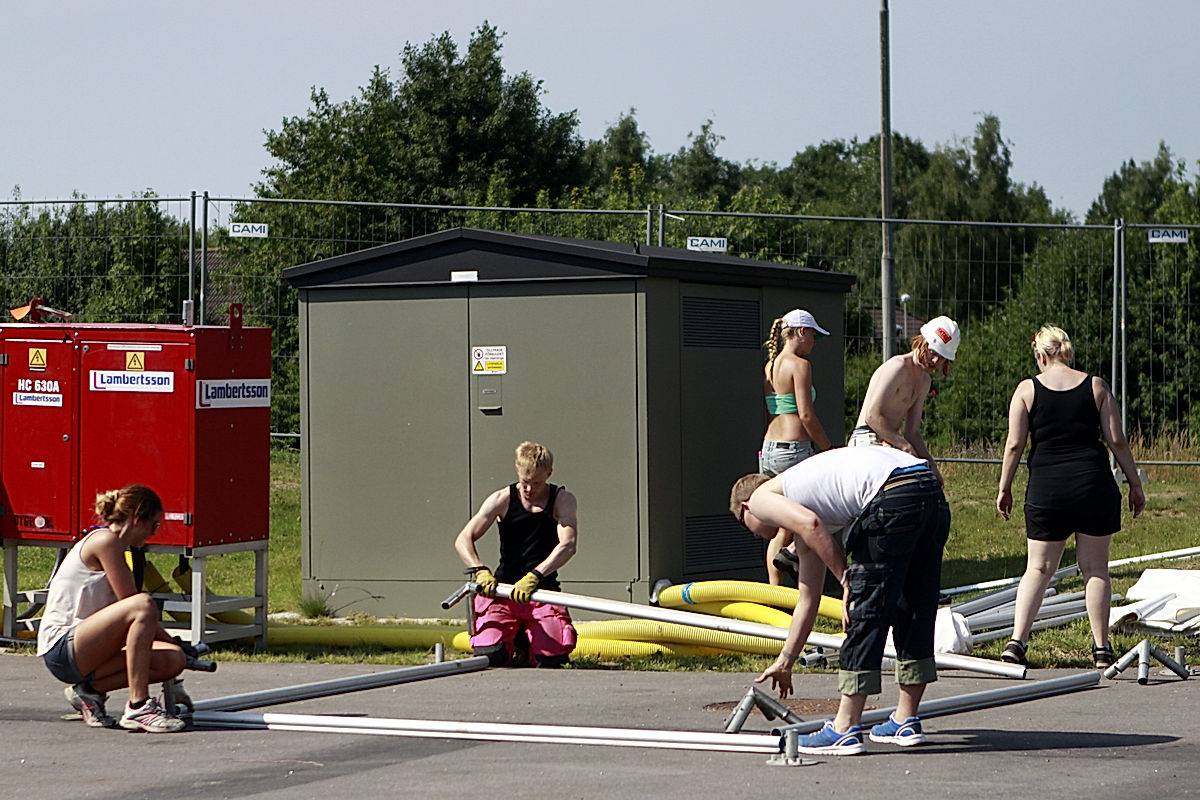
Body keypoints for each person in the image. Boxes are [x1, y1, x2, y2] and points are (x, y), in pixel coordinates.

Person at [730, 445, 950, 755]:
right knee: (913, 605)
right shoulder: (810, 500)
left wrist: (846, 579)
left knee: (864, 612)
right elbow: (809, 598)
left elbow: (811, 524)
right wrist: (786, 659)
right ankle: (905, 718)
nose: (754, 535)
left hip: (891, 495)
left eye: (745, 525)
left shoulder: (762, 498)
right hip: (929, 490)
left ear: (745, 506)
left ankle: (844, 729)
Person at [996, 325, 1145, 669]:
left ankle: (1017, 641)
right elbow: (1117, 440)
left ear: (1040, 355)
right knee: (1095, 569)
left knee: (1038, 568)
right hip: (1093, 486)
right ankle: (1101, 647)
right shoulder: (1096, 386)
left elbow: (1015, 444)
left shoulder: (1026, 390)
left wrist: (1005, 487)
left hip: (1047, 490)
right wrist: (1135, 484)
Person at [36, 485, 187, 733]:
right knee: (143, 603)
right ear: (138, 519)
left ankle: (89, 693)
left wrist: (178, 648)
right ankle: (139, 707)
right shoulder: (106, 541)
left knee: (173, 660)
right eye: (154, 525)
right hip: (63, 647)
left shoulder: (117, 546)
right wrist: (171, 638)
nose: (153, 532)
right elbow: (133, 603)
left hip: (87, 647)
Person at [454, 441, 579, 667]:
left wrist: (535, 576)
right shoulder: (502, 499)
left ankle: (529, 641)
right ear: (517, 471)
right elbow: (463, 539)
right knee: (492, 658)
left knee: (551, 660)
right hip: (504, 590)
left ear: (549, 473)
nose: (530, 489)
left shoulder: (563, 500)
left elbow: (568, 545)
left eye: (537, 483)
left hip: (543, 591)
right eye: (525, 482)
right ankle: (514, 639)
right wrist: (480, 571)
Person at [759, 309, 833, 586]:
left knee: (782, 528)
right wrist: (828, 449)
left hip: (769, 449)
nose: (814, 340)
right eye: (813, 334)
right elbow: (806, 415)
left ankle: (774, 597)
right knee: (811, 517)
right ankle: (804, 585)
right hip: (794, 449)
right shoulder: (800, 365)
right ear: (802, 332)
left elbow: (770, 412)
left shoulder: (770, 366)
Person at [850, 315, 961, 485]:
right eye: (932, 352)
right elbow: (872, 416)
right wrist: (905, 447)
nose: (935, 361)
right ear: (922, 342)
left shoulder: (924, 381)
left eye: (942, 357)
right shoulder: (898, 366)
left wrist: (931, 465)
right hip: (866, 437)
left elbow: (912, 432)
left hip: (890, 441)